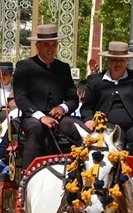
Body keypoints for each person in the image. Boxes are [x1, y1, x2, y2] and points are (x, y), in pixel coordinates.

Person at [13, 24, 85, 170]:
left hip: (59, 118)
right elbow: (21, 98)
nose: (51, 48)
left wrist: (62, 108)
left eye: (54, 44)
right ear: (38, 45)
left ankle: (86, 174)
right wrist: (40, 116)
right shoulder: (24, 66)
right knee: (35, 129)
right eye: (46, 44)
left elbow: (73, 98)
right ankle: (28, 178)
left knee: (81, 130)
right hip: (33, 117)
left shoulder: (63, 68)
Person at [81, 41, 133, 160]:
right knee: (106, 144)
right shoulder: (95, 81)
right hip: (106, 126)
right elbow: (87, 106)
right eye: (114, 60)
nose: (118, 63)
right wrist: (89, 119)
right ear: (108, 61)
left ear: (126, 61)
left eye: (121, 60)